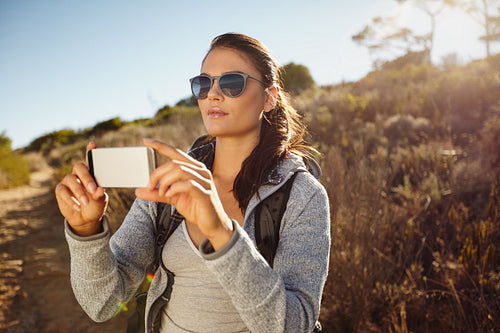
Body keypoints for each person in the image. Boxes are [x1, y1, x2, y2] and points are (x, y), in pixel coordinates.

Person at [55, 32, 331, 333]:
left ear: (269, 97)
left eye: (232, 83)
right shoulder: (172, 182)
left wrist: (221, 233)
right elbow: (103, 302)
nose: (213, 94)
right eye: (203, 84)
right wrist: (86, 232)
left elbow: (295, 325)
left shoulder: (302, 196)